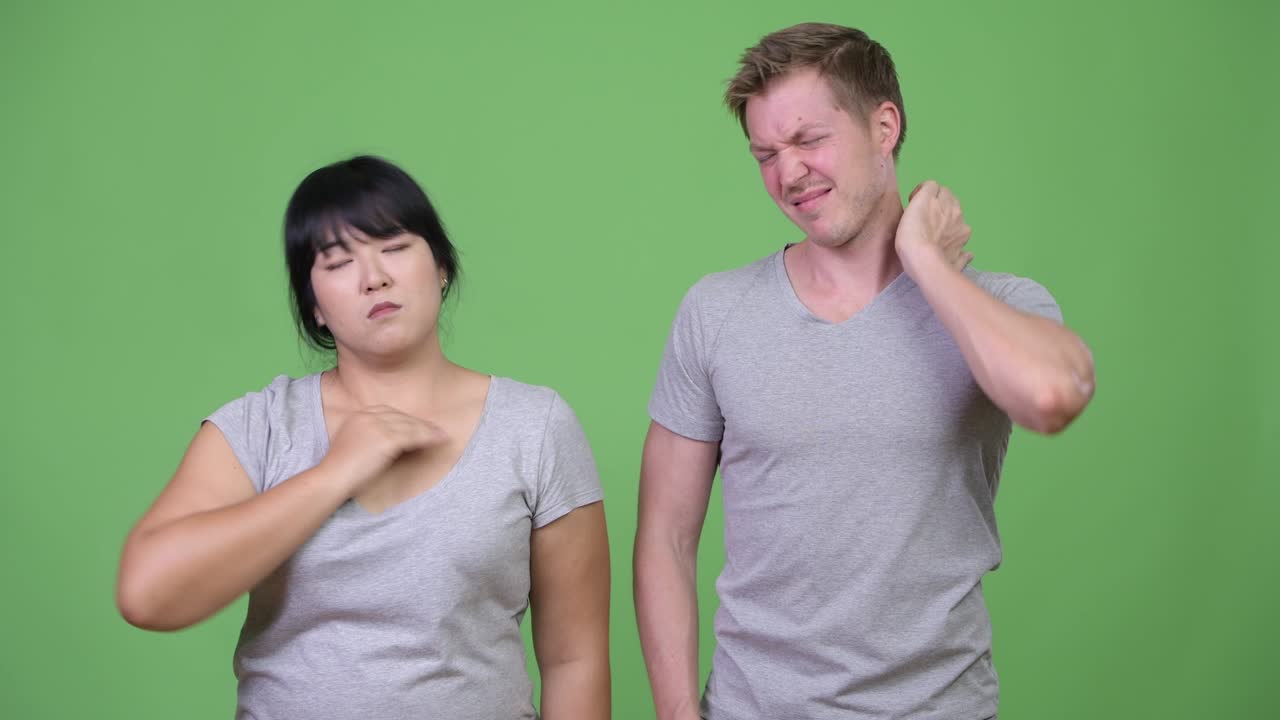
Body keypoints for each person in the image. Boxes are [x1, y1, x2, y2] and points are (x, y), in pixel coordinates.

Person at [634, 23, 1095, 720]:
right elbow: (666, 535)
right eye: (766, 154)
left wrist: (928, 263)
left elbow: (1053, 396)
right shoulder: (715, 311)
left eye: (809, 141)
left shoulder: (1000, 306)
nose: (788, 175)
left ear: (885, 126)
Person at [117, 155, 611, 720]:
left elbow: (576, 658)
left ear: (441, 266)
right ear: (314, 307)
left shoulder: (535, 426)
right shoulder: (261, 426)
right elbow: (147, 594)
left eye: (395, 247)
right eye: (337, 262)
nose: (373, 275)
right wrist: (335, 472)